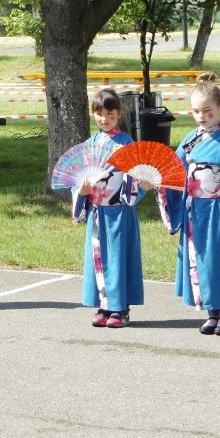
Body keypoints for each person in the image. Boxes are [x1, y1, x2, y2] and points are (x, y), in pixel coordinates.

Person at [153, 73, 220, 335]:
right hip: (195, 211)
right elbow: (174, 172)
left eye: (207, 111)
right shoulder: (190, 140)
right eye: (196, 111)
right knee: (200, 259)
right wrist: (157, 181)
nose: (202, 116)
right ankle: (211, 312)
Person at [73, 88, 148, 328]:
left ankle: (120, 308)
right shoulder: (89, 145)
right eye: (99, 113)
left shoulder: (127, 144)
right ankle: (103, 305)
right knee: (98, 257)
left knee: (118, 258)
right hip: (97, 211)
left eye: (110, 113)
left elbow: (137, 177)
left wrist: (137, 186)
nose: (104, 118)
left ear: (120, 113)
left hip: (120, 211)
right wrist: (81, 192)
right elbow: (76, 179)